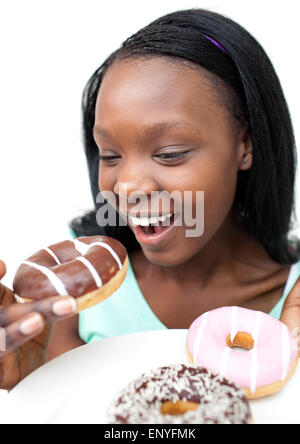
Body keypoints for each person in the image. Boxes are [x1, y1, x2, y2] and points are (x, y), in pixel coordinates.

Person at [1, 8, 300, 390]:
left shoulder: (293, 304)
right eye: (109, 155)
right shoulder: (80, 292)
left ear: (245, 144)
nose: (126, 187)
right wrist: (32, 383)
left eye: (170, 153)